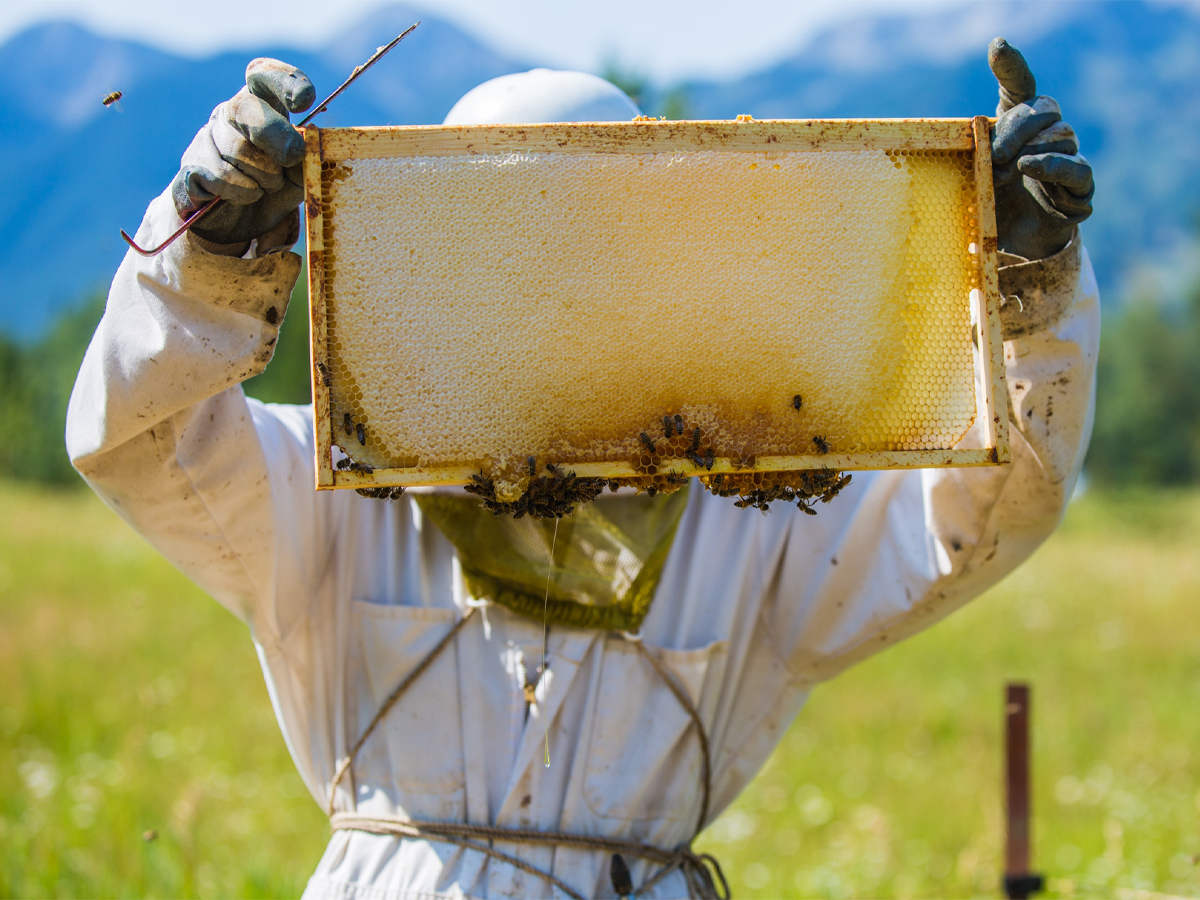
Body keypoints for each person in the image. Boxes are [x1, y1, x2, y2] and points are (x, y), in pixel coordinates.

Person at [66, 37, 1097, 900]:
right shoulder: (336, 485)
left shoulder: (761, 512)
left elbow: (992, 505)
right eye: (512, 244)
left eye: (590, 241)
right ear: (439, 251)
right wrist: (209, 245)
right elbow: (143, 439)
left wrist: (1029, 285)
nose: (552, 285)